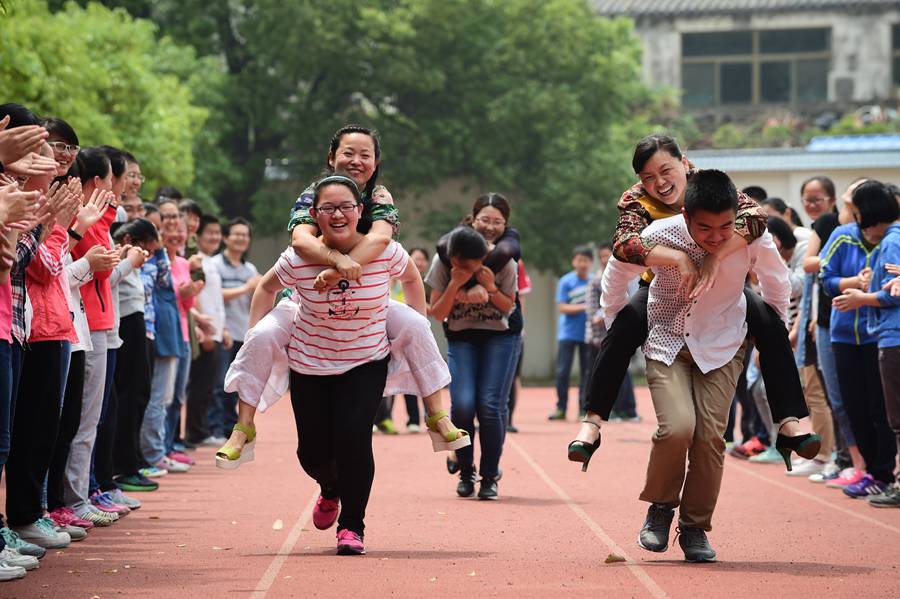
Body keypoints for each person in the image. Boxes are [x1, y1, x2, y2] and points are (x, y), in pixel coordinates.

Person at [215, 125, 463, 465]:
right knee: (259, 336)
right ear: (332, 157)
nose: (356, 161)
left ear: (376, 163)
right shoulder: (312, 194)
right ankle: (243, 427)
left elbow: (379, 240)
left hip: (368, 297)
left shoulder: (379, 197)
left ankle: (436, 415)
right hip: (306, 300)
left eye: (366, 155)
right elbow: (301, 240)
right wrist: (335, 260)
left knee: (418, 327)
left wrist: (337, 271)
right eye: (348, 153)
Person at [570, 134, 812, 461]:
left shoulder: (709, 186)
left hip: (722, 286)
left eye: (666, 171)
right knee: (621, 328)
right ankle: (593, 423)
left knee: (771, 322)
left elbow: (755, 218)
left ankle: (789, 422)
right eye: (648, 177)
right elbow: (624, 245)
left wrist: (715, 256)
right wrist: (677, 258)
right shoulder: (635, 200)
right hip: (661, 286)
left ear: (683, 162)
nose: (660, 183)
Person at [599, 170, 792, 562]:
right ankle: (660, 507)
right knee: (677, 429)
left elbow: (776, 282)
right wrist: (617, 329)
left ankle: (695, 528)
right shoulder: (659, 234)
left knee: (710, 439)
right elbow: (615, 277)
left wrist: (774, 334)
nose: (717, 236)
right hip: (667, 341)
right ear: (686, 216)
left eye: (725, 226)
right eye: (705, 228)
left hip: (723, 345)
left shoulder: (750, 234)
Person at [249, 174, 425, 555]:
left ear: (360, 210)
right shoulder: (298, 257)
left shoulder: (385, 251)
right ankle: (330, 489)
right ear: (314, 214)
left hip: (365, 360)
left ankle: (353, 526)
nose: (338, 214)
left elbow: (412, 277)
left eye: (346, 206)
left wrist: (415, 326)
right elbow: (265, 287)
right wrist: (255, 340)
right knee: (309, 452)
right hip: (310, 362)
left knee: (354, 439)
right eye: (328, 208)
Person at [427, 226, 518, 500]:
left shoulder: (505, 264)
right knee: (464, 405)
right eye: (454, 260)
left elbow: (508, 306)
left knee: (489, 406)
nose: (458, 265)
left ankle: (490, 477)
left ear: (481, 259)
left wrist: (490, 287)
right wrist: (455, 283)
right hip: (461, 338)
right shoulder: (443, 264)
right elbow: (437, 312)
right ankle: (466, 471)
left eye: (465, 264)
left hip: (498, 338)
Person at [823, 180, 899, 498]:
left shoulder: (890, 240)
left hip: (881, 337)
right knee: (854, 406)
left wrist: (863, 297)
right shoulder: (845, 236)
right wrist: (854, 283)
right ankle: (872, 471)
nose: (852, 217)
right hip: (847, 335)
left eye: (853, 210)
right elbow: (825, 277)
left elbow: (893, 293)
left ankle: (883, 472)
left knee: (883, 411)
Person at [801, 177, 867, 486]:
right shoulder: (835, 229)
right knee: (836, 395)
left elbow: (814, 267)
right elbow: (812, 270)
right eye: (807, 198)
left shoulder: (877, 234)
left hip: (861, 320)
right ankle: (847, 460)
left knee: (858, 397)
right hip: (828, 320)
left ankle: (861, 464)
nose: (812, 204)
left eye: (819, 198)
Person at [586, 242, 638, 422]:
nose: (604, 259)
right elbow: (592, 308)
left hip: (623, 328)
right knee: (607, 371)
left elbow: (633, 300)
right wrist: (597, 319)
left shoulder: (629, 275)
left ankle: (628, 410)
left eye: (607, 255)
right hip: (602, 332)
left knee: (623, 371)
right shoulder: (596, 279)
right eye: (601, 256)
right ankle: (611, 410)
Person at [549, 246, 593, 420]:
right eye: (579, 260)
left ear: (590, 262)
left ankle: (583, 408)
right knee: (562, 372)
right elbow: (562, 307)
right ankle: (561, 408)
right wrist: (585, 306)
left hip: (588, 335)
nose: (582, 263)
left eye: (586, 260)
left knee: (587, 373)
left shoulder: (594, 281)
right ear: (574, 261)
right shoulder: (566, 281)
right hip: (567, 334)